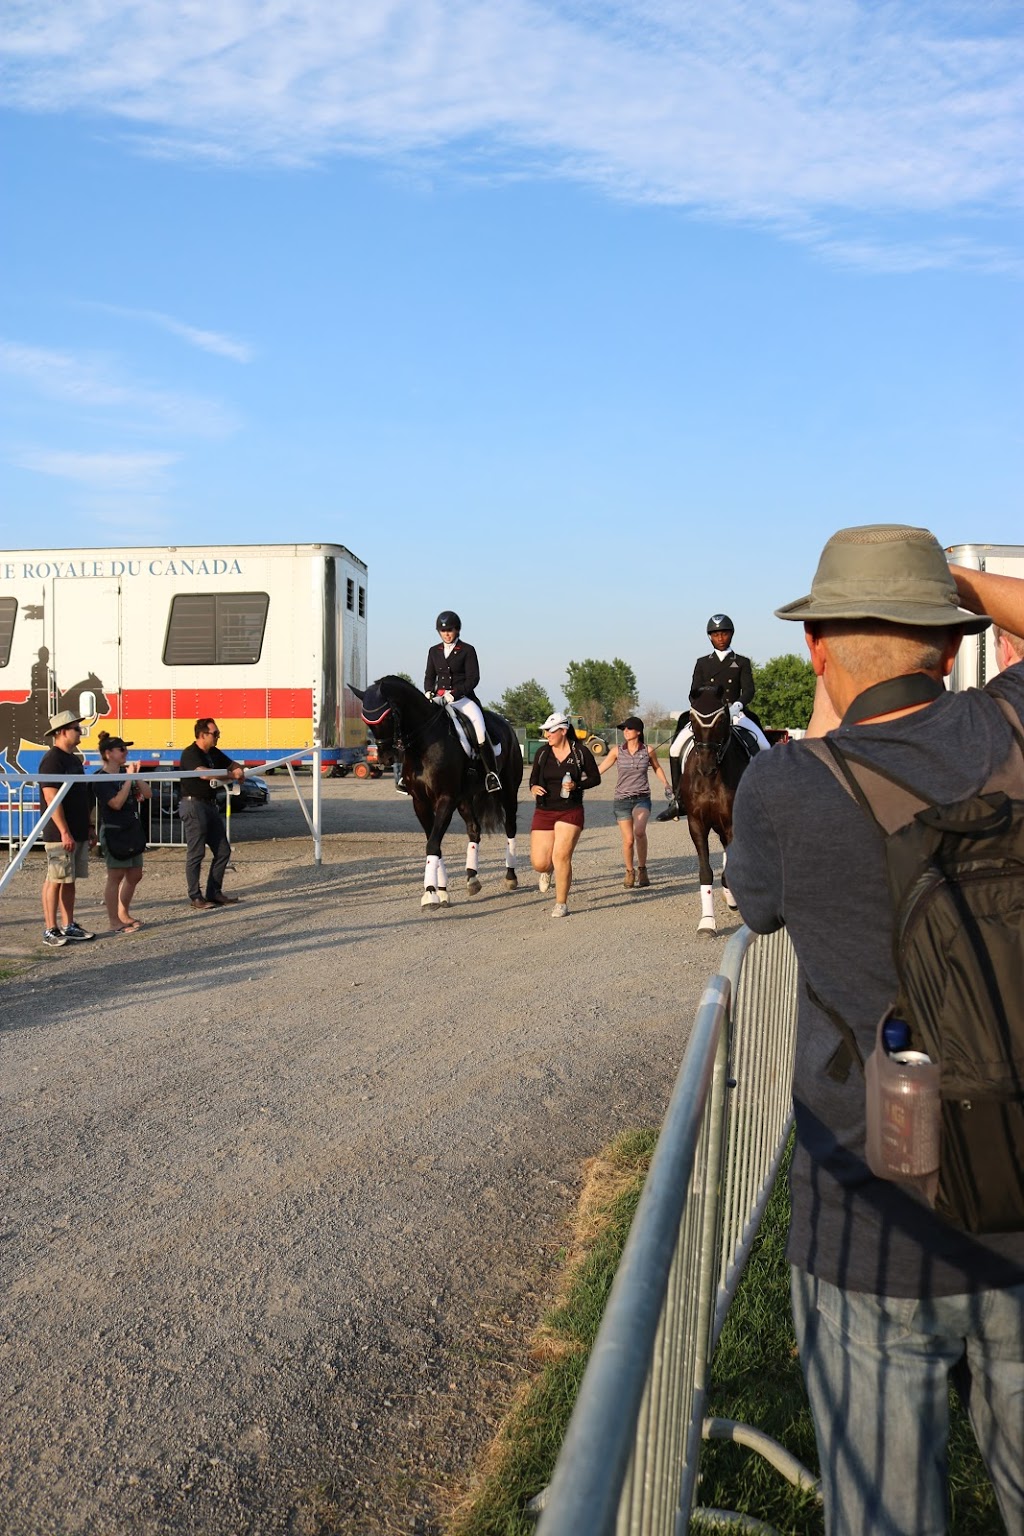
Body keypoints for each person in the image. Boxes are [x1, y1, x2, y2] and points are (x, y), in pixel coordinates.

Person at [726, 524, 1024, 1535]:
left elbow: (758, 911)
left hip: (874, 1214)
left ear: (815, 651)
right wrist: (968, 583)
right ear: (948, 643)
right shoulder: (1016, 729)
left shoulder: (782, 785)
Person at [667, 614, 771, 803]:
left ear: (731, 635)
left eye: (724, 634)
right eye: (716, 635)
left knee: (764, 745)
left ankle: (763, 795)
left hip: (735, 714)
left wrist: (736, 706)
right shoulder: (703, 662)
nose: (720, 638)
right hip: (708, 717)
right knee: (675, 748)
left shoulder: (741, 661)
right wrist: (703, 710)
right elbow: (693, 693)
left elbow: (749, 690)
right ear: (710, 637)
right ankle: (678, 798)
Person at [529, 712, 601, 918]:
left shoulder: (580, 752)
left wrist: (577, 785)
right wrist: (533, 787)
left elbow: (595, 778)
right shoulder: (542, 753)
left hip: (570, 810)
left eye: (550, 731)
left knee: (561, 856)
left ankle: (561, 903)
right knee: (540, 863)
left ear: (563, 731)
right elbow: (533, 779)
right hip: (544, 810)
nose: (546, 734)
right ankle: (547, 870)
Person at [37, 709, 97, 948]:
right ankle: (50, 928)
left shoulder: (73, 759)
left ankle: (69, 924)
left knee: (69, 879)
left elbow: (81, 796)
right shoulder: (52, 760)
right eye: (75, 728)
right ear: (62, 732)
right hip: (59, 831)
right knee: (55, 878)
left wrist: (89, 826)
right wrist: (63, 830)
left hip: (77, 829)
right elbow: (52, 797)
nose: (80, 731)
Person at [424, 611, 501, 792]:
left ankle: (491, 774)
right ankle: (407, 773)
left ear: (457, 630)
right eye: (443, 631)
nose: (446, 634)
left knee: (480, 729)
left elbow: (473, 678)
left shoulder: (467, 650)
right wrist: (428, 691)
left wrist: (455, 694)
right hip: (439, 699)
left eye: (450, 630)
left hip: (463, 699)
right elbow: (429, 676)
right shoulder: (433, 651)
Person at [177, 718, 245, 911]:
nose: (218, 737)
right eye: (215, 734)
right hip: (193, 805)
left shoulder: (213, 752)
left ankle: (214, 892)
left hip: (209, 805)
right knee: (196, 852)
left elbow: (232, 764)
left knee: (223, 850)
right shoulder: (190, 753)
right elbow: (203, 773)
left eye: (218, 733)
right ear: (202, 735)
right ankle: (195, 896)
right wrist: (232, 775)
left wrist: (237, 770)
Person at [598, 715, 671, 888]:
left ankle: (642, 869)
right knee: (629, 839)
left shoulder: (648, 750)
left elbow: (657, 767)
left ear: (638, 731)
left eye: (629, 728)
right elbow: (600, 768)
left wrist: (666, 784)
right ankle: (630, 871)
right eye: (623, 728)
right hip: (621, 800)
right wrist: (582, 779)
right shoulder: (617, 751)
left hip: (642, 799)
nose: (625, 731)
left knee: (639, 831)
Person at [93, 731, 151, 933]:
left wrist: (136, 776)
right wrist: (128, 779)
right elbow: (115, 803)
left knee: (135, 874)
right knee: (115, 875)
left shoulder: (126, 774)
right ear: (108, 753)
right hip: (113, 830)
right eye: (121, 749)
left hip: (132, 828)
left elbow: (147, 793)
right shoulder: (101, 778)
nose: (126, 752)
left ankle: (123, 913)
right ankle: (113, 921)